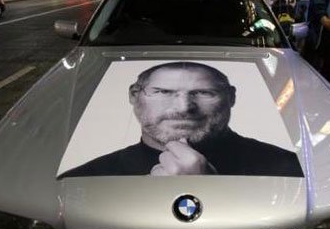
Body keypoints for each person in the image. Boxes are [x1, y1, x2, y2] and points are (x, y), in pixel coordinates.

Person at [59, 62, 303, 177]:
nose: (184, 108)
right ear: (134, 95)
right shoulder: (81, 177)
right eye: (163, 92)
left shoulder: (290, 167)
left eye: (204, 93)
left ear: (231, 97)